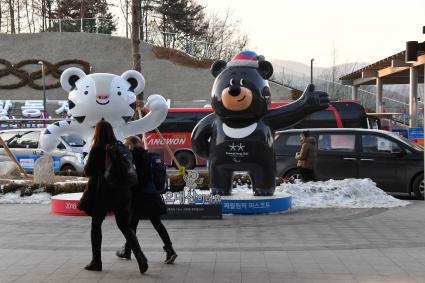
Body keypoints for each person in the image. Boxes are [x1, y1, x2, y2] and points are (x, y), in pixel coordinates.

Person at [82, 120, 149, 274]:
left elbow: (88, 171)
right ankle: (141, 257)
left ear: (97, 132)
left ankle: (96, 261)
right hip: (121, 191)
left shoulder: (97, 148)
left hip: (102, 192)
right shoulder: (120, 146)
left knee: (96, 225)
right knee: (125, 225)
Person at [116, 136, 177, 264]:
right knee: (157, 224)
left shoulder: (132, 157)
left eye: (127, 145)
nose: (127, 147)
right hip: (152, 194)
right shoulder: (148, 155)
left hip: (139, 196)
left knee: (131, 225)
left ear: (131, 145)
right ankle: (170, 249)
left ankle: (127, 250)